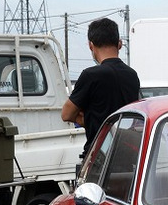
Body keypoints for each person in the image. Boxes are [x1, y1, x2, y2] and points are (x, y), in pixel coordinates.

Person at [60, 16, 141, 155]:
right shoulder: (132, 75)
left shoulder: (90, 75)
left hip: (99, 155)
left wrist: (90, 120)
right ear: (119, 44)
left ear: (91, 45)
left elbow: (66, 114)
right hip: (128, 153)